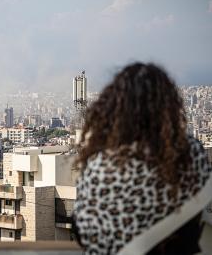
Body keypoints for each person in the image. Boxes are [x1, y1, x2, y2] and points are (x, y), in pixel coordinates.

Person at [74, 63, 212, 255]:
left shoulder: (100, 163)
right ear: (168, 107)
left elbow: (83, 230)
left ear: (114, 109)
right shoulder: (190, 153)